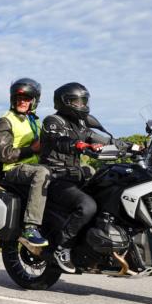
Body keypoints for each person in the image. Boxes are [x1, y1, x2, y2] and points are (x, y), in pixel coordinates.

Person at [39, 82, 112, 272]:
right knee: (87, 206)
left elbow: (103, 140)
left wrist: (133, 147)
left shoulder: (80, 125)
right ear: (64, 102)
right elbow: (59, 140)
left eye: (84, 101)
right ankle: (62, 248)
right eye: (77, 101)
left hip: (75, 177)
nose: (82, 105)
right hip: (56, 177)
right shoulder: (53, 121)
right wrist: (78, 145)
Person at [0, 78, 51, 249]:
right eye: (19, 98)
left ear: (34, 101)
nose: (22, 102)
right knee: (42, 173)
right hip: (14, 169)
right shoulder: (6, 120)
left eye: (26, 99)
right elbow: (4, 155)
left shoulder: (34, 121)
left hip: (34, 166)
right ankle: (30, 227)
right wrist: (31, 149)